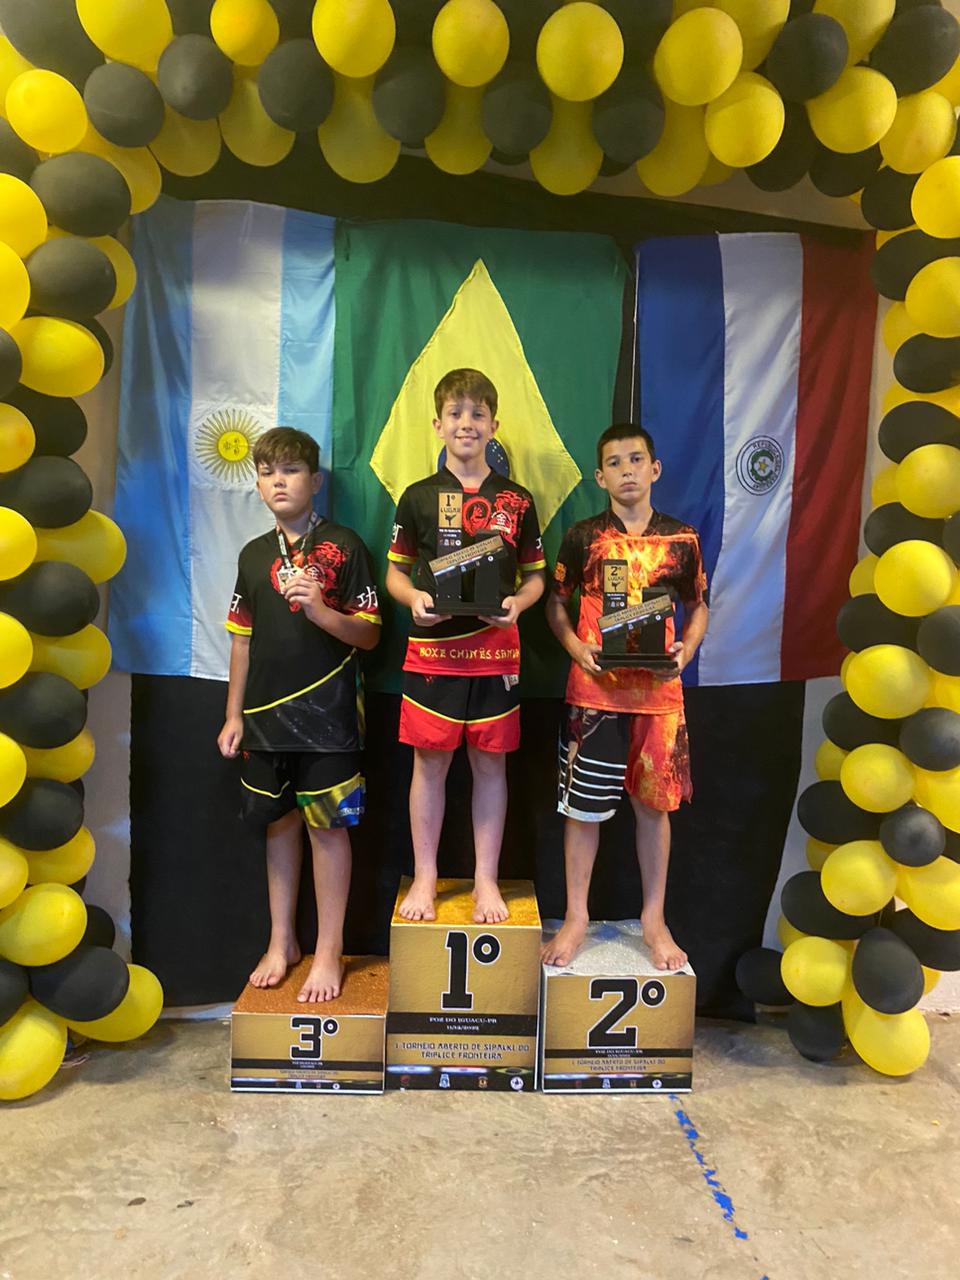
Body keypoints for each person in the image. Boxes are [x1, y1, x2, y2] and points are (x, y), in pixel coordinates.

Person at [217, 427, 380, 1003]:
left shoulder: (346, 546)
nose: (278, 482)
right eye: (267, 473)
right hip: (264, 718)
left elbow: (370, 634)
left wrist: (320, 611)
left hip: (330, 719)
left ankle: (330, 949)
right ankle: (281, 941)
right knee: (278, 825)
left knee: (328, 831)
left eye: (290, 470)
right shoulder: (252, 554)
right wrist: (233, 716)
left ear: (315, 480)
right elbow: (241, 641)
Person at [541, 423, 709, 971]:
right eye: (614, 463)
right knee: (582, 811)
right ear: (600, 476)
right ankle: (576, 918)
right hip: (595, 697)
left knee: (653, 811)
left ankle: (654, 920)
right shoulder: (583, 537)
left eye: (636, 460)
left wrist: (687, 647)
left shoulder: (682, 540)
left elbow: (698, 606)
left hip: (660, 699)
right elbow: (555, 603)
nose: (627, 470)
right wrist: (575, 647)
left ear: (654, 468)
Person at [386, 368, 546, 924]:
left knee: (490, 767)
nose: (466, 423)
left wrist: (517, 605)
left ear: (494, 425)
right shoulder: (417, 497)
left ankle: (485, 880)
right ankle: (425, 876)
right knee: (429, 765)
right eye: (455, 413)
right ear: (438, 424)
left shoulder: (517, 500)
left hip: (496, 653)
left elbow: (535, 578)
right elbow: (395, 574)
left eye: (478, 413)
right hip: (432, 654)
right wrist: (414, 599)